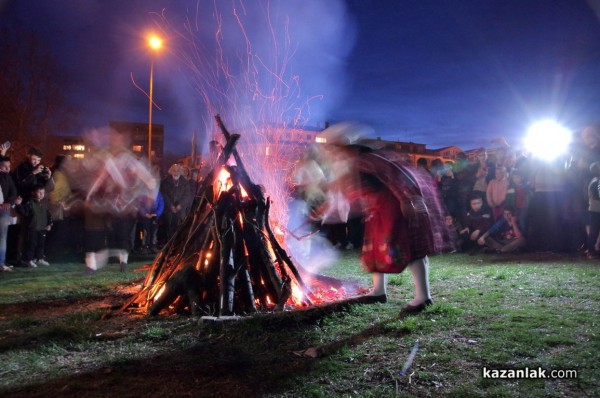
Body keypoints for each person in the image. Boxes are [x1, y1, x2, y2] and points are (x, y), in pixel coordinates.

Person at [308, 126, 449, 315]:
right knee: (374, 251)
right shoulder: (348, 166)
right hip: (378, 212)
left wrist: (407, 200)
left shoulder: (368, 160)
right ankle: (378, 292)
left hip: (395, 208)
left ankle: (423, 297)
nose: (331, 153)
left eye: (333, 148)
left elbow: (397, 176)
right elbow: (342, 195)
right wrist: (321, 212)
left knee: (410, 248)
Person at [15, 186, 53, 267]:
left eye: (43, 192)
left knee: (41, 244)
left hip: (42, 228)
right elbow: (24, 212)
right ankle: (28, 260)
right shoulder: (30, 203)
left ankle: (39, 258)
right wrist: (18, 205)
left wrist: (49, 224)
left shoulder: (44, 204)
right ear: (33, 192)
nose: (41, 194)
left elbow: (49, 216)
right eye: (39, 192)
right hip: (33, 228)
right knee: (31, 244)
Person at [0, 144, 22, 271]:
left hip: (3, 210)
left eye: (9, 167)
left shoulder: (7, 177)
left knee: (2, 237)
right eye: (5, 167)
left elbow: (13, 192)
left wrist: (9, 202)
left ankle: (1, 263)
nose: (8, 169)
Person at [160, 163, 193, 241]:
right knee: (168, 226)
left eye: (178, 171)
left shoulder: (185, 183)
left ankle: (176, 243)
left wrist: (180, 205)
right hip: (168, 210)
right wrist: (170, 206)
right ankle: (168, 243)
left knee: (179, 227)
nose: (176, 173)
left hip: (180, 210)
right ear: (171, 172)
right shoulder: (165, 182)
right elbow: (164, 195)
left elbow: (187, 195)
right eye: (174, 171)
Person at [586, 162, 600, 259]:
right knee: (594, 231)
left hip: (595, 209)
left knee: (594, 231)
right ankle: (591, 251)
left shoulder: (594, 181)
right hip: (596, 210)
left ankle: (592, 250)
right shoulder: (595, 182)